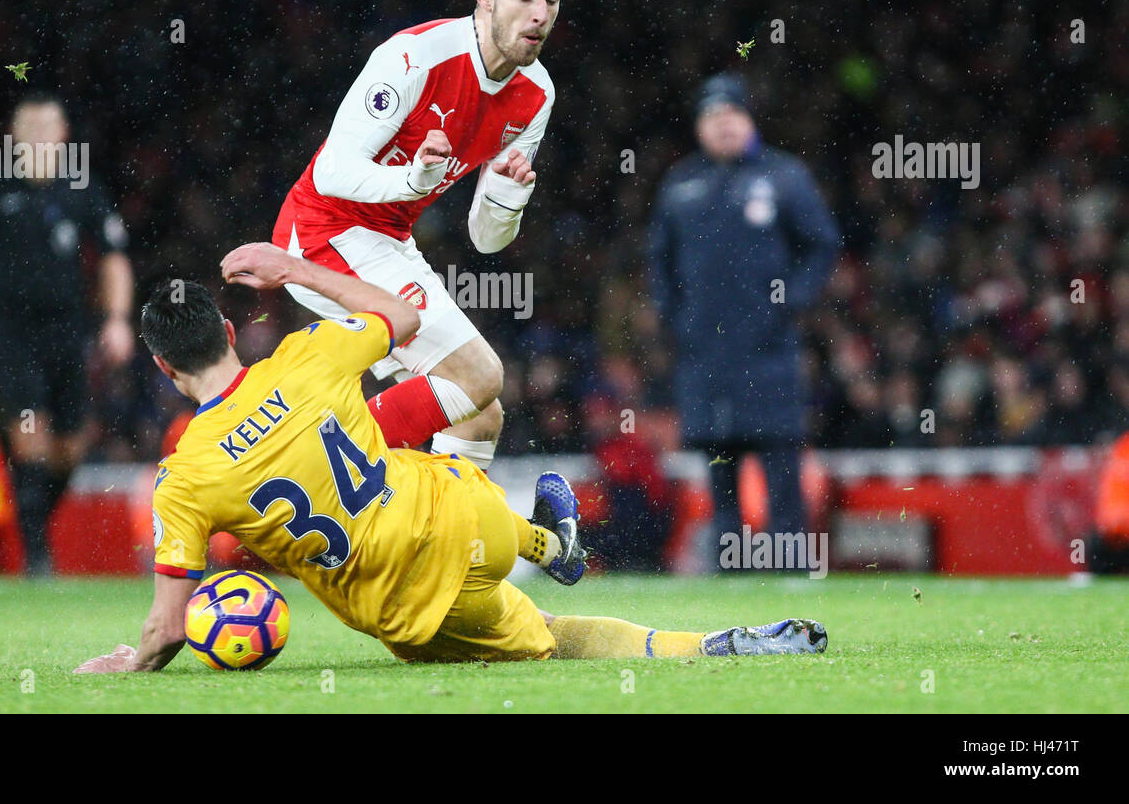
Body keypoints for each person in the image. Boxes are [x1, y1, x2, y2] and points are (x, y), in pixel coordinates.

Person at [74, 244, 827, 671]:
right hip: (469, 512)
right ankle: (546, 540)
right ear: (233, 334)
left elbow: (168, 628)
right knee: (470, 410)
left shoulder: (185, 474)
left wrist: (127, 665)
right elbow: (401, 315)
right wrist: (298, 273)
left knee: (554, 640)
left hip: (412, 603)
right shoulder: (308, 353)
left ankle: (716, 646)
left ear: (165, 371)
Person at [269, 0, 561, 472]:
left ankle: (445, 551)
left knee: (478, 416)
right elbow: (332, 172)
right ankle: (307, 467)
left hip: (387, 242)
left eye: (551, 0)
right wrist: (413, 181)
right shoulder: (414, 58)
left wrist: (507, 198)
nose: (540, 13)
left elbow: (485, 239)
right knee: (479, 376)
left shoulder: (536, 94)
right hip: (322, 233)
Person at [648, 73, 839, 571]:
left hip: (768, 349)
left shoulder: (783, 176)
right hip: (705, 353)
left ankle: (792, 566)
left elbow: (822, 243)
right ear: (699, 128)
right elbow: (658, 260)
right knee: (718, 461)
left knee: (780, 456)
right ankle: (730, 568)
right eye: (712, 117)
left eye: (732, 115)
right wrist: (677, 317)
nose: (723, 125)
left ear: (749, 119)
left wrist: (788, 303)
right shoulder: (680, 184)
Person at [0, 92, 135, 575]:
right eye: (26, 129)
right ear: (13, 139)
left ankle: (33, 523)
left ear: (62, 135)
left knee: (72, 444)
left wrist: (117, 320)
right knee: (30, 433)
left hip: (69, 330)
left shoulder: (83, 189)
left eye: (45, 128)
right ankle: (36, 557)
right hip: (10, 333)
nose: (36, 138)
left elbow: (115, 257)